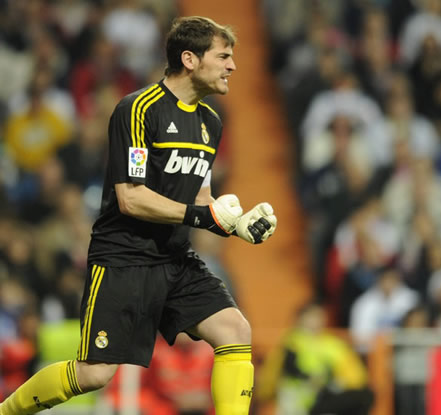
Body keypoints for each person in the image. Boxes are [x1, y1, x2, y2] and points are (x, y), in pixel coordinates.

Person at [0, 16, 277, 415]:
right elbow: (131, 198)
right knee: (96, 374)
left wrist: (237, 223)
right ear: (190, 59)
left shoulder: (211, 122)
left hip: (176, 259)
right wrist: (204, 217)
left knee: (235, 330)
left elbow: (201, 196)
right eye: (224, 56)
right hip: (124, 258)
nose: (232, 66)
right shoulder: (137, 110)